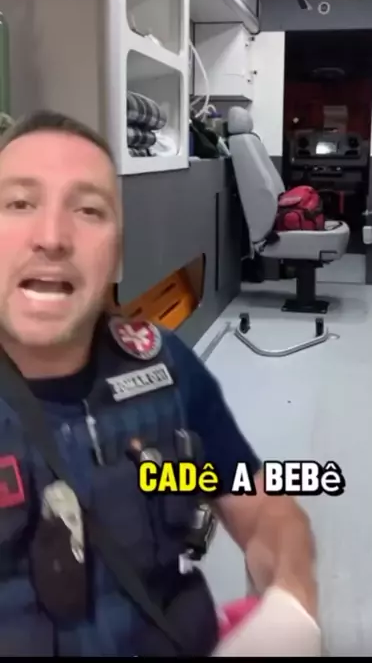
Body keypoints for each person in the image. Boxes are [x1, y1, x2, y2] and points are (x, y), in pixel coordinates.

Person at [0, 109, 318, 656]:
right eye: (19, 204)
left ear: (117, 255)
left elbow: (266, 508)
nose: (51, 237)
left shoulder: (165, 370)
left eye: (88, 210)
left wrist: (291, 603)